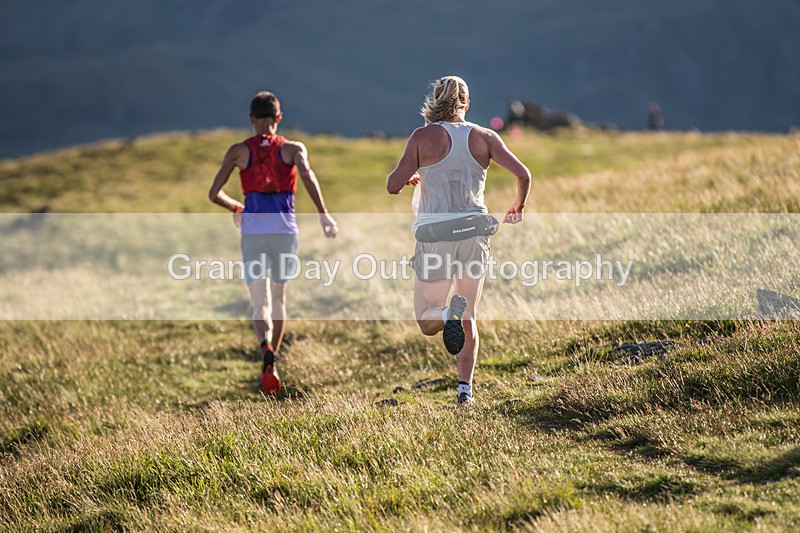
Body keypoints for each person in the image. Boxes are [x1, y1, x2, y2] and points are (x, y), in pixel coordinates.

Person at [386, 76, 531, 405]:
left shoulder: (422, 137)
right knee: (470, 317)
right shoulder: (485, 137)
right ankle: (465, 390)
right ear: (467, 104)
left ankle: (446, 311)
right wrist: (517, 206)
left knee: (426, 319)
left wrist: (412, 174)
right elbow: (523, 174)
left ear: (435, 101)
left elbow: (393, 186)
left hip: (436, 235)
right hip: (474, 233)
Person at [209, 91, 338, 395]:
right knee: (279, 300)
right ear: (278, 119)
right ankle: (273, 362)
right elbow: (308, 178)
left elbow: (214, 193)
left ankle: (264, 345)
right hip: (285, 233)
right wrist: (324, 215)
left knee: (260, 302)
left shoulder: (238, 151)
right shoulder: (293, 149)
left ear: (251, 119)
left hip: (253, 233)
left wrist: (236, 208)